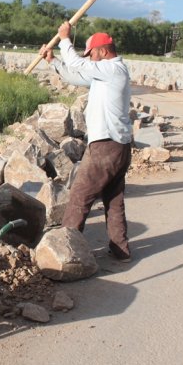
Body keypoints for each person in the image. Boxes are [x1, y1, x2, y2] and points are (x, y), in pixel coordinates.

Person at [39, 22, 133, 262]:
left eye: (91, 54)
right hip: (118, 147)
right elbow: (77, 75)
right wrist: (53, 61)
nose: (89, 59)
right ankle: (120, 249)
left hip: (105, 147)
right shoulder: (106, 74)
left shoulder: (112, 69)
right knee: (113, 201)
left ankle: (64, 251)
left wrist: (64, 39)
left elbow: (78, 64)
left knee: (80, 195)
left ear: (102, 51)